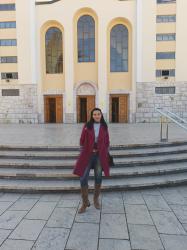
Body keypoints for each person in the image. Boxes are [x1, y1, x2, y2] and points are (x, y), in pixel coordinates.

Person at [73, 108, 110, 213]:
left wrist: (105, 151)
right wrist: (84, 149)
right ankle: (85, 202)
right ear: (92, 115)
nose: (97, 116)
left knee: (98, 177)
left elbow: (107, 141)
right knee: (83, 178)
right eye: (95, 114)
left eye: (98, 114)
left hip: (99, 155)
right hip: (87, 155)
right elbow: (81, 140)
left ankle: (95, 199)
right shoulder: (87, 126)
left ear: (101, 115)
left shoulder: (104, 126)